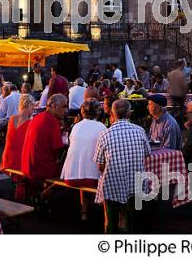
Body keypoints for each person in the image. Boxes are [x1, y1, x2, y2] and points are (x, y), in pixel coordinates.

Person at [93, 99, 151, 233]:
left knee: (111, 216)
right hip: (136, 183)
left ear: (112, 114)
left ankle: (110, 229)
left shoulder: (105, 134)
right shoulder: (140, 130)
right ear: (129, 114)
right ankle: (125, 224)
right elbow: (147, 153)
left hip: (113, 185)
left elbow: (100, 166)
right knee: (131, 210)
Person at [61, 99, 105, 220]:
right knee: (98, 166)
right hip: (91, 179)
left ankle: (84, 210)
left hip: (70, 177)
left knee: (84, 164)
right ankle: (107, 211)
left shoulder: (76, 126)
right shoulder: (101, 127)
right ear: (98, 112)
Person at [21, 94, 68, 190]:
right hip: (40, 169)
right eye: (64, 106)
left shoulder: (37, 117)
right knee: (68, 167)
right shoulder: (52, 121)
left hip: (26, 166)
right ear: (54, 107)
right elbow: (58, 149)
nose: (66, 110)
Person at [0, 94, 36, 201]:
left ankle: (20, 189)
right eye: (33, 107)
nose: (33, 110)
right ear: (29, 106)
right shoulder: (30, 122)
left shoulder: (11, 119)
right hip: (20, 162)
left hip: (8, 158)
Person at [167, 59, 188, 128]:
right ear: (182, 65)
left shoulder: (171, 73)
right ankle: (181, 124)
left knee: (174, 109)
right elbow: (184, 85)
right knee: (181, 110)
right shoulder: (181, 74)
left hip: (173, 93)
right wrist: (185, 93)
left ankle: (171, 123)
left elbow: (169, 83)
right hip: (180, 94)